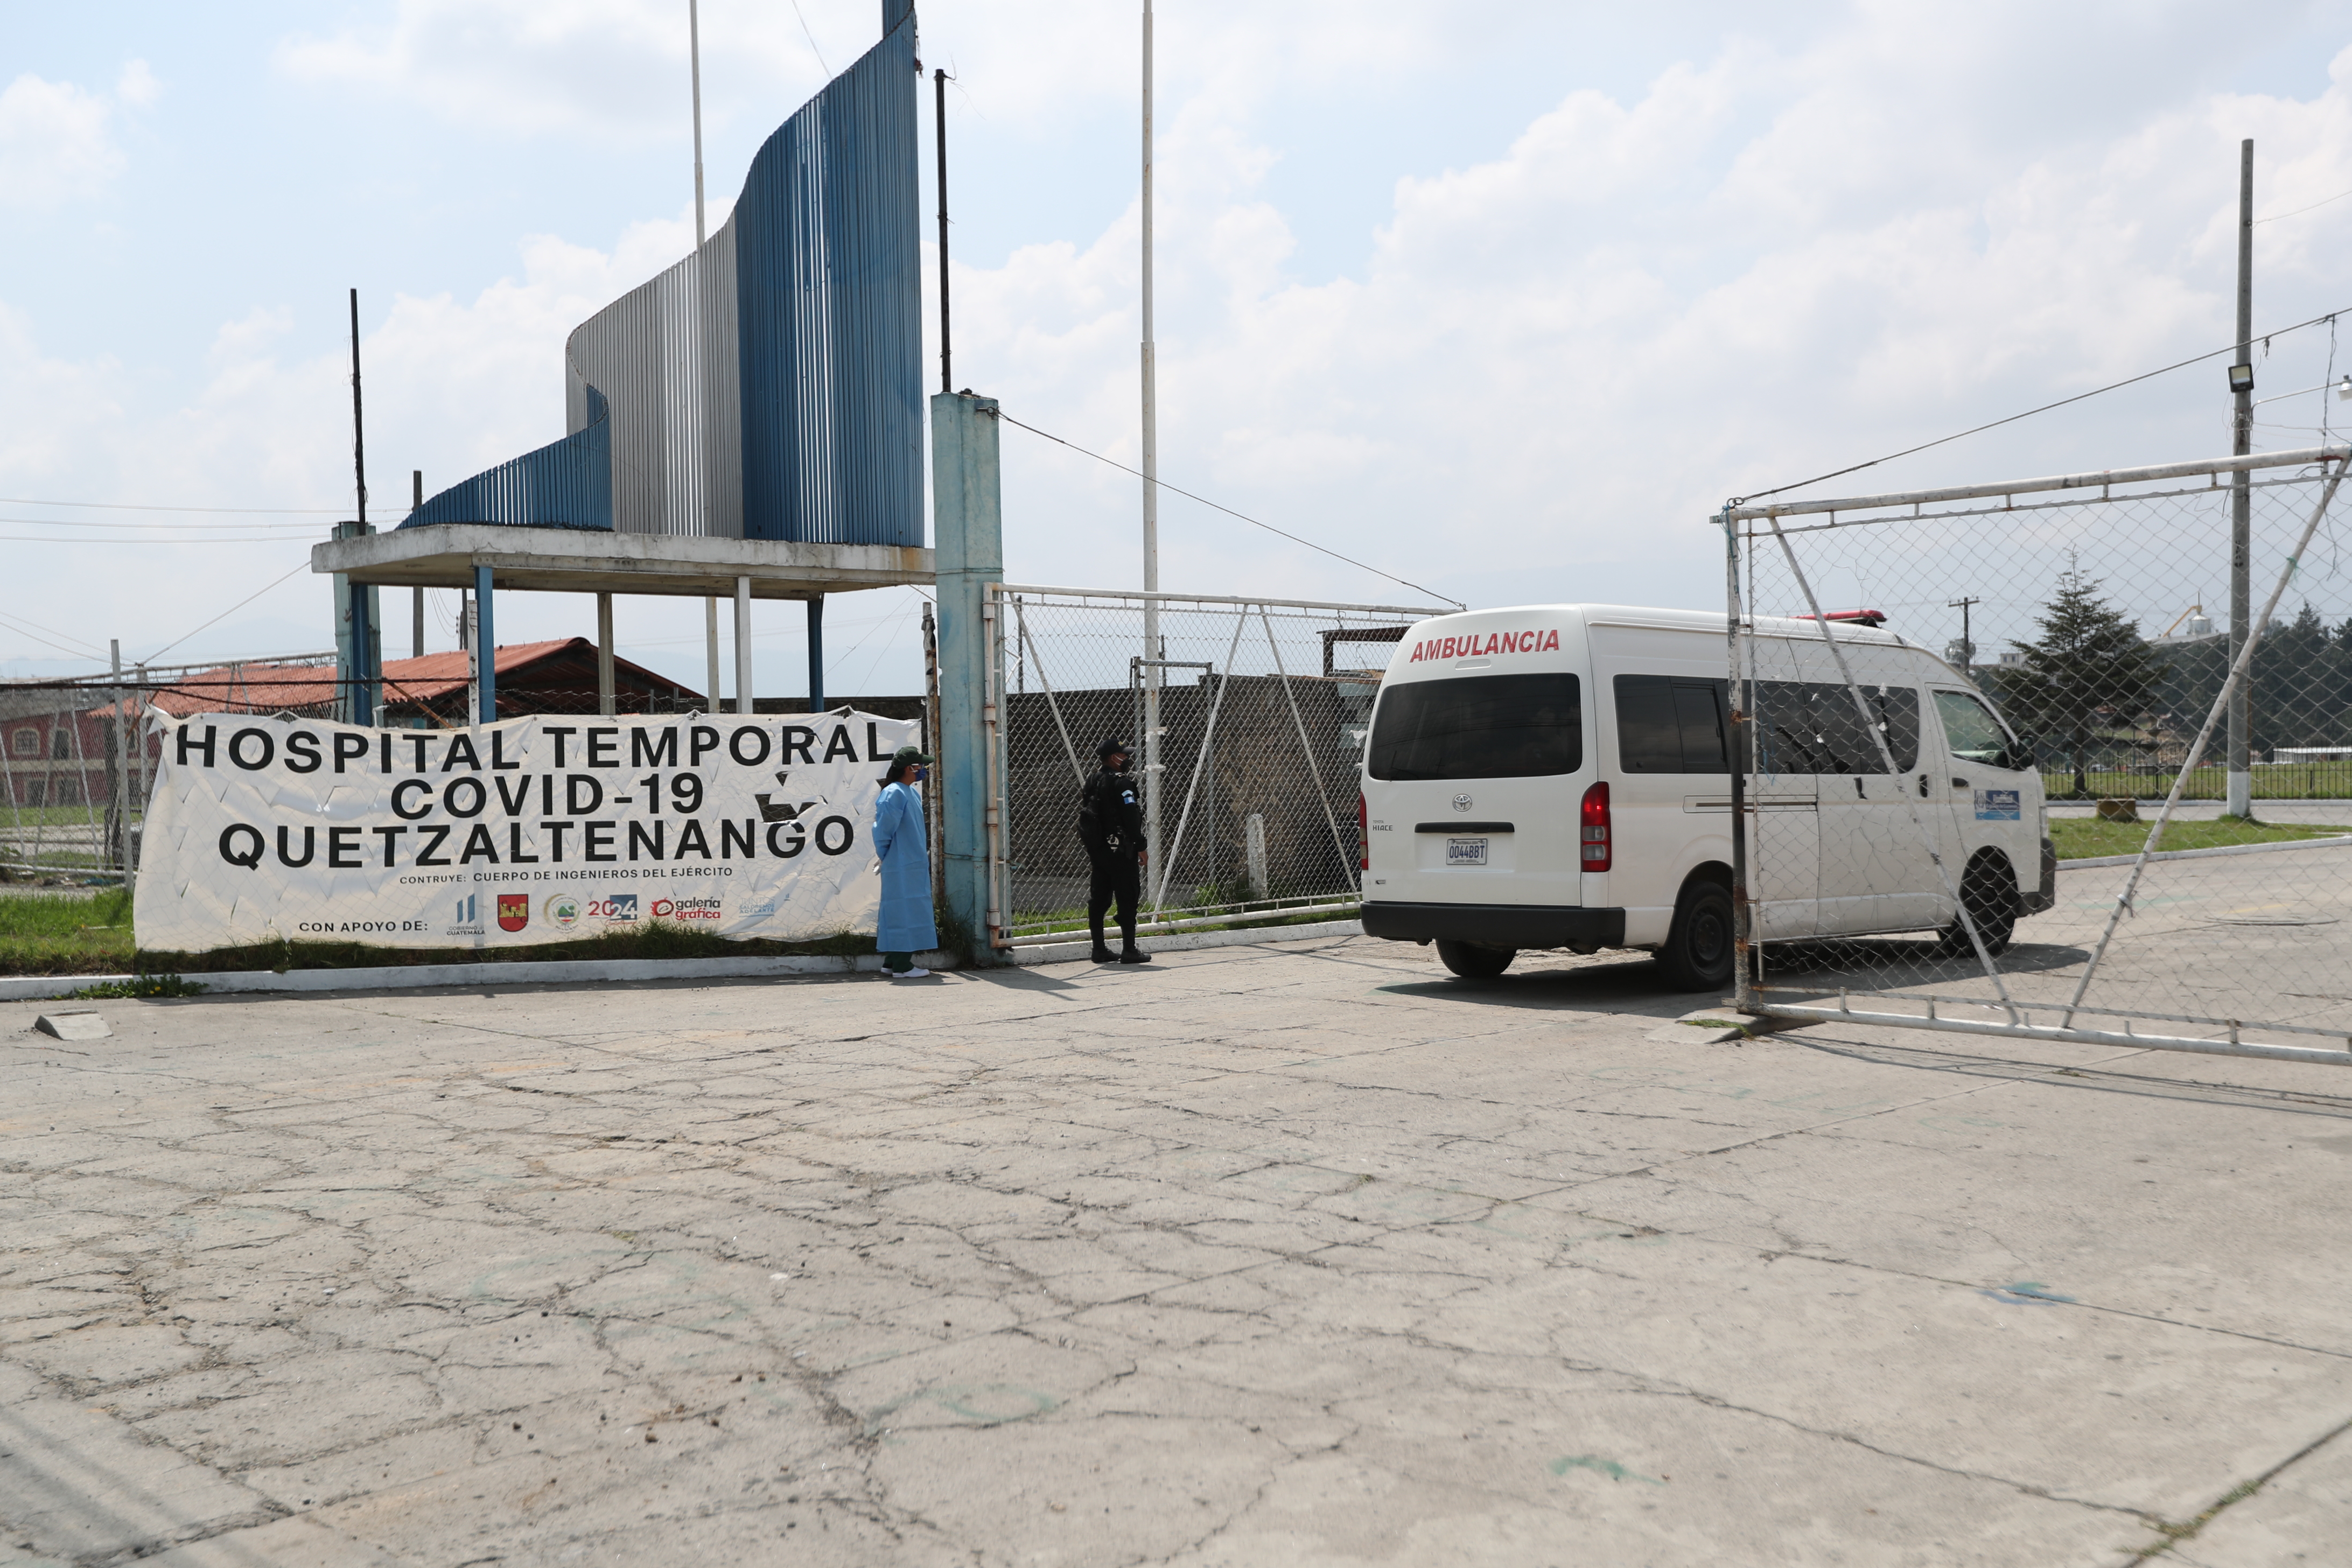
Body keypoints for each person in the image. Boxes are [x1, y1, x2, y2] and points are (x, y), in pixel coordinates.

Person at [1079, 737, 1151, 965]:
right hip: (1121, 850)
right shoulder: (1123, 783)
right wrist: (1141, 847)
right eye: (1124, 755)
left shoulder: (1093, 779)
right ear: (1114, 758)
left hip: (1099, 849)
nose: (1128, 758)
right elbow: (1132, 818)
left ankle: (1099, 950)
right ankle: (1129, 950)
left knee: (1099, 899)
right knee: (1127, 897)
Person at [872, 745, 937, 978]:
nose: (924, 769)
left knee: (903, 909)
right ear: (910, 768)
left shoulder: (909, 792)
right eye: (921, 766)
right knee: (902, 911)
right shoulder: (894, 793)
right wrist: (884, 854)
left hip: (911, 862)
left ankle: (891, 962)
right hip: (900, 862)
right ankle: (902, 966)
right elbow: (883, 829)